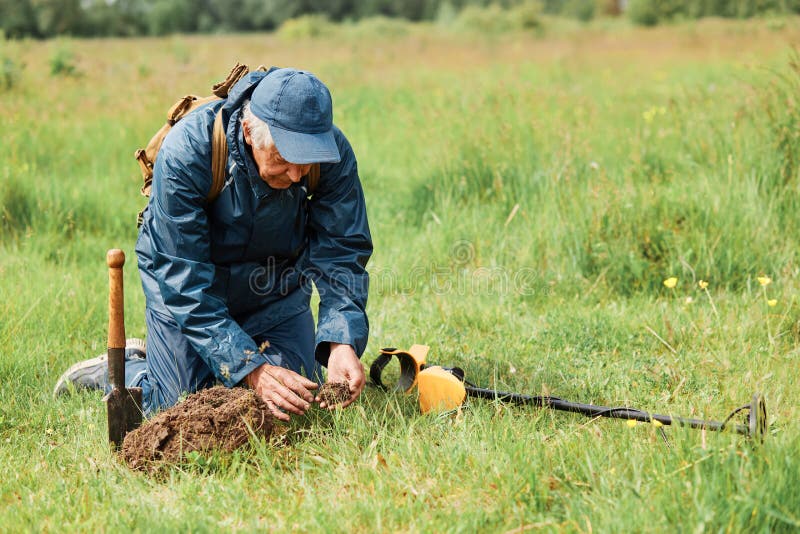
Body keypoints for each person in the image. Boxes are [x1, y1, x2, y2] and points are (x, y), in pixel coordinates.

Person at [54, 67, 372, 421]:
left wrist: (340, 342)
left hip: (273, 286)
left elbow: (342, 251)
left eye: (306, 160)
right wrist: (251, 368)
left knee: (296, 397)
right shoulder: (188, 151)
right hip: (186, 284)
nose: (298, 174)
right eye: (283, 158)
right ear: (250, 132)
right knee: (181, 406)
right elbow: (183, 280)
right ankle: (125, 368)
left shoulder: (330, 152)